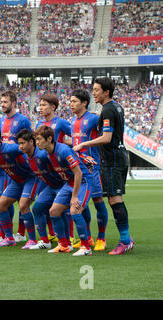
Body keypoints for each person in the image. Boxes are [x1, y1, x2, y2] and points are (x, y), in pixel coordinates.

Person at [73, 77, 135, 255]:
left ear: (106, 92)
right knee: (112, 199)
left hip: (113, 159)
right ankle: (126, 238)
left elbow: (106, 138)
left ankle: (125, 240)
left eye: (97, 89)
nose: (93, 92)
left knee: (115, 199)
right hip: (117, 157)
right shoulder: (116, 106)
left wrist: (84, 144)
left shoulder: (107, 110)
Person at [35, 126, 93, 256]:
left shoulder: (64, 151)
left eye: (39, 139)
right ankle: (64, 245)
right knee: (54, 211)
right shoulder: (46, 154)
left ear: (49, 138)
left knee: (75, 210)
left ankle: (86, 247)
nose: (37, 142)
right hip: (69, 183)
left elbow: (78, 173)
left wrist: (74, 196)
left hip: (84, 181)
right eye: (36, 139)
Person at [0, 127, 38, 249]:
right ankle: (9, 238)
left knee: (23, 206)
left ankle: (33, 240)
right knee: (0, 205)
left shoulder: (10, 148)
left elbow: (31, 150)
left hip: (30, 179)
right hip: (15, 182)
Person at [69, 89, 109, 251]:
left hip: (93, 167)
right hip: (79, 168)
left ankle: (102, 238)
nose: (71, 104)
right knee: (80, 202)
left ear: (84, 103)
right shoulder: (72, 120)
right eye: (70, 101)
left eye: (74, 101)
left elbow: (105, 133)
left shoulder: (93, 118)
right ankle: (88, 237)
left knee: (98, 201)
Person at [17, 129, 66, 250]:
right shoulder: (27, 157)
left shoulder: (43, 155)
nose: (20, 147)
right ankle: (45, 241)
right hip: (50, 186)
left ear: (31, 142)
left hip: (62, 185)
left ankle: (71, 241)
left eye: (22, 143)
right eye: (19, 143)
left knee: (68, 211)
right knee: (37, 208)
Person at [35, 93, 73, 242]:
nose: (41, 108)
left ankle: (70, 236)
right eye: (40, 105)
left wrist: (67, 147)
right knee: (43, 204)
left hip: (58, 170)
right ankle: (53, 234)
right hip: (44, 171)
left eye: (44, 105)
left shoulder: (61, 123)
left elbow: (76, 137)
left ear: (53, 107)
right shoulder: (39, 124)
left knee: (62, 206)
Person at [0, 90, 32, 242]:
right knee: (5, 202)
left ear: (13, 103)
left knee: (22, 203)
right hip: (8, 167)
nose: (2, 104)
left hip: (22, 165)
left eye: (5, 102)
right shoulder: (1, 121)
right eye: (1, 102)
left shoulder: (23, 120)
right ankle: (7, 235)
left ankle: (21, 233)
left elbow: (29, 141)